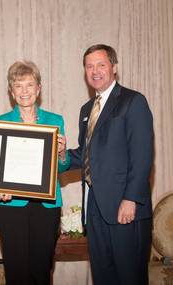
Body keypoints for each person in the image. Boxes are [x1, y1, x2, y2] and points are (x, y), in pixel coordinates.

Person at [68, 44, 153, 285]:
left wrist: (131, 199)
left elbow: (143, 155)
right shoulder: (87, 109)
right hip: (94, 207)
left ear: (113, 68)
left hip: (125, 208)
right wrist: (56, 155)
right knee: (103, 276)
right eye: (89, 66)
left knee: (129, 277)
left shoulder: (133, 101)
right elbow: (85, 155)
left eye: (101, 65)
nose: (95, 71)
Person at [0, 60, 70, 285]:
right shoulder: (0, 122)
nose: (24, 91)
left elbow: (62, 168)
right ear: (11, 91)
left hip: (46, 206)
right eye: (18, 86)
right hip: (12, 205)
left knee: (42, 269)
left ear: (39, 88)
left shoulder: (55, 121)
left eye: (30, 85)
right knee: (16, 270)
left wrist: (63, 154)